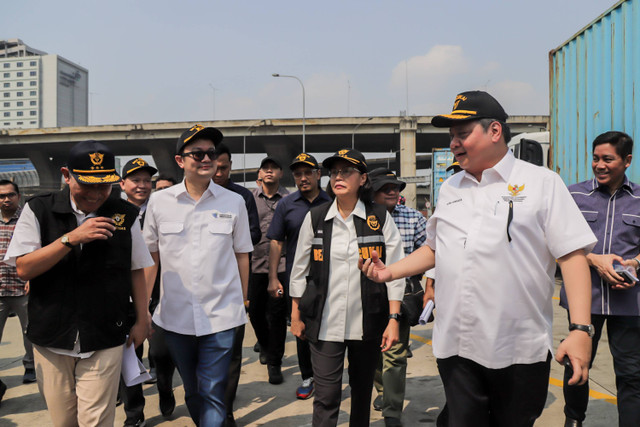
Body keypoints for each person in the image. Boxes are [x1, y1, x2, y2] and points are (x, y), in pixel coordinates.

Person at [360, 91, 597, 427]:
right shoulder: (452, 187)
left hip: (518, 347)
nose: (454, 144)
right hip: (457, 345)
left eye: (463, 134)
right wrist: (389, 272)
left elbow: (572, 255)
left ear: (495, 131)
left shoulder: (541, 183)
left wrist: (580, 330)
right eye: (452, 136)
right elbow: (435, 249)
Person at [4, 140, 153, 427]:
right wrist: (70, 239)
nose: (97, 193)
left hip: (105, 334)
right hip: (51, 336)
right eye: (88, 184)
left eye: (104, 185)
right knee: (64, 422)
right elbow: (23, 268)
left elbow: (136, 269)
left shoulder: (124, 214)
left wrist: (142, 318)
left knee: (96, 421)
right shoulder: (39, 210)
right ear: (66, 174)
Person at [143, 124, 253, 426]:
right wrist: (142, 309)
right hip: (175, 317)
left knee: (214, 391)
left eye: (211, 154)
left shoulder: (234, 202)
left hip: (221, 315)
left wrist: (242, 299)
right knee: (193, 390)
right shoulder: (160, 202)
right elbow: (151, 258)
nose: (206, 159)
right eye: (197, 154)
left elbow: (242, 254)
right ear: (180, 161)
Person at [290, 148, 405, 427]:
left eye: (346, 172)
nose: (338, 177)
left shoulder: (378, 217)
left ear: (363, 178)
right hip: (324, 323)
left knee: (362, 392)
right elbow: (299, 270)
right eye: (334, 172)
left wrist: (393, 319)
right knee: (326, 396)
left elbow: (396, 270)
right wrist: (295, 315)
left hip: (367, 321)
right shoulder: (316, 218)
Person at [560, 131, 640, 427]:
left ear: (627, 160)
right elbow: (557, 242)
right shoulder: (573, 195)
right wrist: (593, 260)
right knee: (577, 365)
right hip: (585, 298)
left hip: (629, 301)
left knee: (632, 372)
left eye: (608, 159)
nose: (600, 165)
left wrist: (632, 263)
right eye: (595, 158)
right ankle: (574, 420)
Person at [266, 152, 332, 400]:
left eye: (307, 172)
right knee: (301, 329)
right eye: (298, 174)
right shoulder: (287, 204)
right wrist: (273, 277)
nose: (303, 178)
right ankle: (308, 376)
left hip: (331, 277)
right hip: (299, 280)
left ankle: (326, 376)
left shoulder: (333, 201)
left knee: (328, 328)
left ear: (318, 174)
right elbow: (276, 242)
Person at [117, 158, 176, 425]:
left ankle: (165, 388)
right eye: (135, 180)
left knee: (161, 352)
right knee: (129, 355)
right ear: (122, 184)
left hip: (160, 293)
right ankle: (135, 414)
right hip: (123, 296)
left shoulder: (165, 209)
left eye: (146, 181)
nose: (142, 186)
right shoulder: (111, 212)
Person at [369, 168, 427, 427]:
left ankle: (392, 411)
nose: (393, 191)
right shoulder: (362, 218)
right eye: (385, 188)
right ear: (372, 192)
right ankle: (382, 389)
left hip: (401, 294)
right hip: (367, 295)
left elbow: (430, 253)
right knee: (372, 351)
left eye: (396, 187)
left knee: (395, 352)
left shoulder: (413, 218)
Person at [212, 142, 261, 427]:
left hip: (234, 279)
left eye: (224, 168)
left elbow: (252, 233)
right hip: (198, 287)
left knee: (231, 351)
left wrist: (223, 242)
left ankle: (226, 409)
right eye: (215, 168)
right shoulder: (189, 198)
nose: (219, 173)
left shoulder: (241, 196)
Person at [249, 157, 289, 384]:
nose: (270, 171)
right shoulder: (249, 198)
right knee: (255, 312)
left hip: (281, 266)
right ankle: (265, 345)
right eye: (265, 168)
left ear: (281, 173)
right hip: (255, 264)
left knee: (276, 315)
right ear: (260, 174)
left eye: (274, 168)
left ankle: (275, 362)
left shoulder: (290, 199)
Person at [0, 180, 35, 385]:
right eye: (2, 196)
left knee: (29, 332)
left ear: (18, 196)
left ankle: (30, 367)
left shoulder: (27, 219)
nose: (6, 199)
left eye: (10, 195)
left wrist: (34, 276)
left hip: (23, 286)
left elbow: (38, 248)